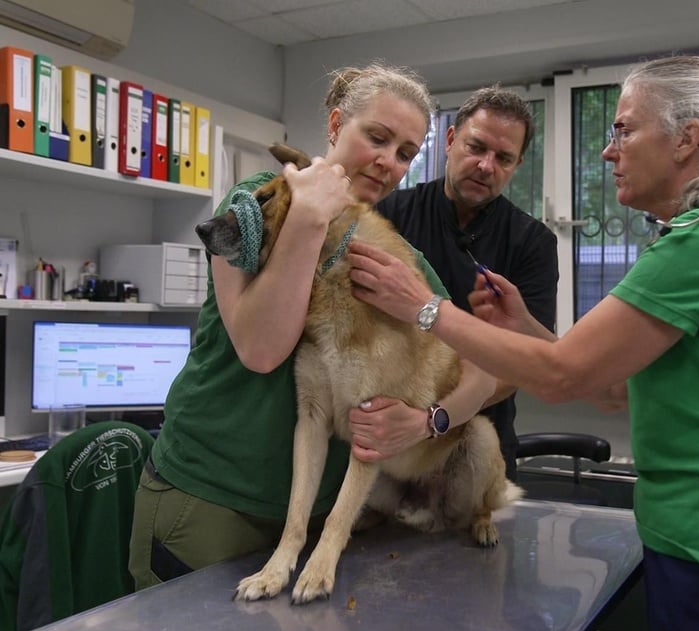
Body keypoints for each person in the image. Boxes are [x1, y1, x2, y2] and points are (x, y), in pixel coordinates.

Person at [347, 55, 699, 631]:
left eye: (624, 129)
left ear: (685, 141)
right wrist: (523, 324)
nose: (607, 150)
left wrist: (422, 307)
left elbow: (562, 377)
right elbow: (614, 389)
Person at [128, 63, 497, 591]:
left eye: (406, 153)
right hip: (210, 501)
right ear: (334, 124)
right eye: (377, 137)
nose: (387, 161)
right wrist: (308, 216)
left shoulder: (394, 255)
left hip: (320, 518)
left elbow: (482, 370)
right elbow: (261, 349)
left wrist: (427, 422)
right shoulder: (260, 203)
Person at [360, 86, 558, 480]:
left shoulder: (532, 242)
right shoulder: (388, 214)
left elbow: (520, 364)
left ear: (517, 165)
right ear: (450, 141)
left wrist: (430, 418)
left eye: (503, 158)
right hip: (385, 444)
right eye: (476, 147)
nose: (486, 166)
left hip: (476, 452)